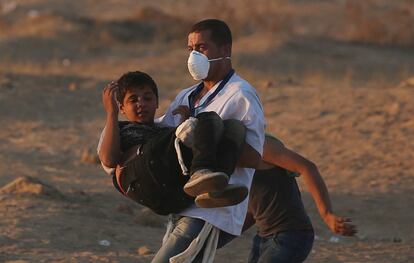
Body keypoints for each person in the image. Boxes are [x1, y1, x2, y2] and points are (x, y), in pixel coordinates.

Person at [152, 19, 265, 262]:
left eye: (201, 48)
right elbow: (164, 135)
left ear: (225, 50)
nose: (194, 55)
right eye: (190, 49)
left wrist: (203, 141)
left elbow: (254, 156)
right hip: (183, 202)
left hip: (213, 210)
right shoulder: (187, 96)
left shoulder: (240, 95)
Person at [97, 71, 250, 215]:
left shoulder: (162, 131)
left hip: (176, 193)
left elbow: (173, 155)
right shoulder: (120, 129)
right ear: (122, 108)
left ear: (156, 103)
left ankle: (215, 187)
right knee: (208, 119)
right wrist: (112, 113)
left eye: (147, 98)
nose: (141, 104)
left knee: (234, 127)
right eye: (133, 100)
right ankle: (201, 170)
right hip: (143, 179)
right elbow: (109, 159)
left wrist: (184, 122)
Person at [243, 134, 357, 263]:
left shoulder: (260, 146)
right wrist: (219, 236)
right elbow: (255, 209)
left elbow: (307, 168)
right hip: (263, 238)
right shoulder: (231, 159)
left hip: (290, 235)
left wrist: (327, 215)